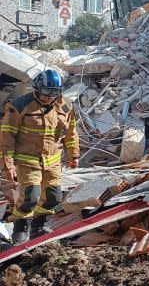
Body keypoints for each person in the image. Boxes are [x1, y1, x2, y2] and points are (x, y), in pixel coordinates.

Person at [0, 69, 79, 244]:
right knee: (30, 196)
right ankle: (20, 230)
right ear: (36, 88)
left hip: (52, 161)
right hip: (27, 161)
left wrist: (74, 154)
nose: (50, 96)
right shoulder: (20, 106)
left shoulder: (65, 106)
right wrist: (8, 166)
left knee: (53, 197)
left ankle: (38, 227)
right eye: (46, 91)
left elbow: (71, 132)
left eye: (55, 92)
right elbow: (6, 138)